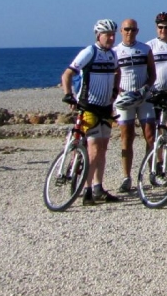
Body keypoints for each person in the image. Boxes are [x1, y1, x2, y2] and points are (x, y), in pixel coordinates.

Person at [61, 19, 121, 204]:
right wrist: (68, 95)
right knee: (93, 149)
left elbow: (117, 72)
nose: (111, 38)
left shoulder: (112, 54)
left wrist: (114, 91)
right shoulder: (90, 52)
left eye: (113, 35)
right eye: (107, 35)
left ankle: (98, 187)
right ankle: (87, 190)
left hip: (106, 108)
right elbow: (67, 74)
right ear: (98, 35)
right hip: (89, 107)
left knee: (102, 149)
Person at [113, 18, 156, 194]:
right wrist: (118, 90)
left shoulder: (145, 49)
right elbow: (113, 75)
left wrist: (146, 88)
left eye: (133, 29)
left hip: (144, 97)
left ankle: (151, 172)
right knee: (127, 137)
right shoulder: (115, 51)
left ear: (137, 31)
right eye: (126, 29)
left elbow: (153, 73)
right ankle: (126, 176)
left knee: (150, 136)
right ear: (121, 31)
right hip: (124, 99)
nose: (130, 32)